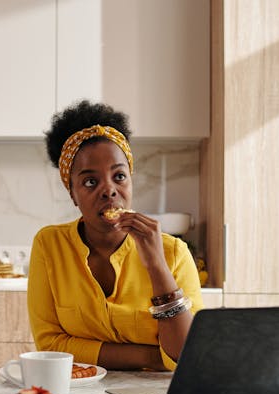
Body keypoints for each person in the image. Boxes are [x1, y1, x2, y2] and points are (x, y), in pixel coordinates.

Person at [27, 100, 203, 371]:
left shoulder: (174, 253)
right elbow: (50, 346)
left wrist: (156, 266)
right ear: (73, 194)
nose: (108, 190)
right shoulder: (50, 245)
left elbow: (186, 355)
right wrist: (152, 357)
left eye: (119, 176)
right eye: (89, 181)